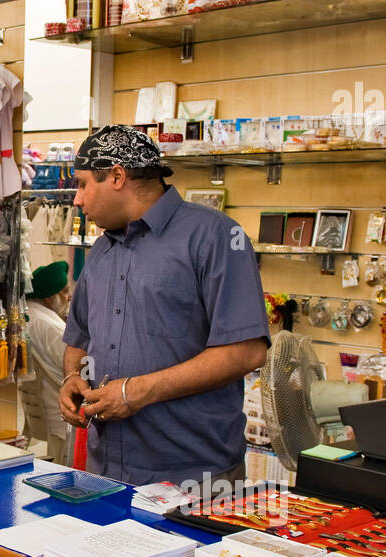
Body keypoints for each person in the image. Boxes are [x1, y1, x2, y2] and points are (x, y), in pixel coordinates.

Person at [57, 125, 269, 489]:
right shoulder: (102, 250)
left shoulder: (216, 237)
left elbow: (247, 352)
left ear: (117, 177)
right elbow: (79, 339)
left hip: (194, 479)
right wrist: (71, 377)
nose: (77, 199)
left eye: (82, 184)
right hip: (105, 470)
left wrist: (134, 392)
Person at [21, 260, 72, 462]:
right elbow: (80, 369)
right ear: (51, 298)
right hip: (62, 415)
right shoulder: (49, 326)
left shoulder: (27, 314)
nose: (69, 297)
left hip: (40, 413)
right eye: (65, 292)